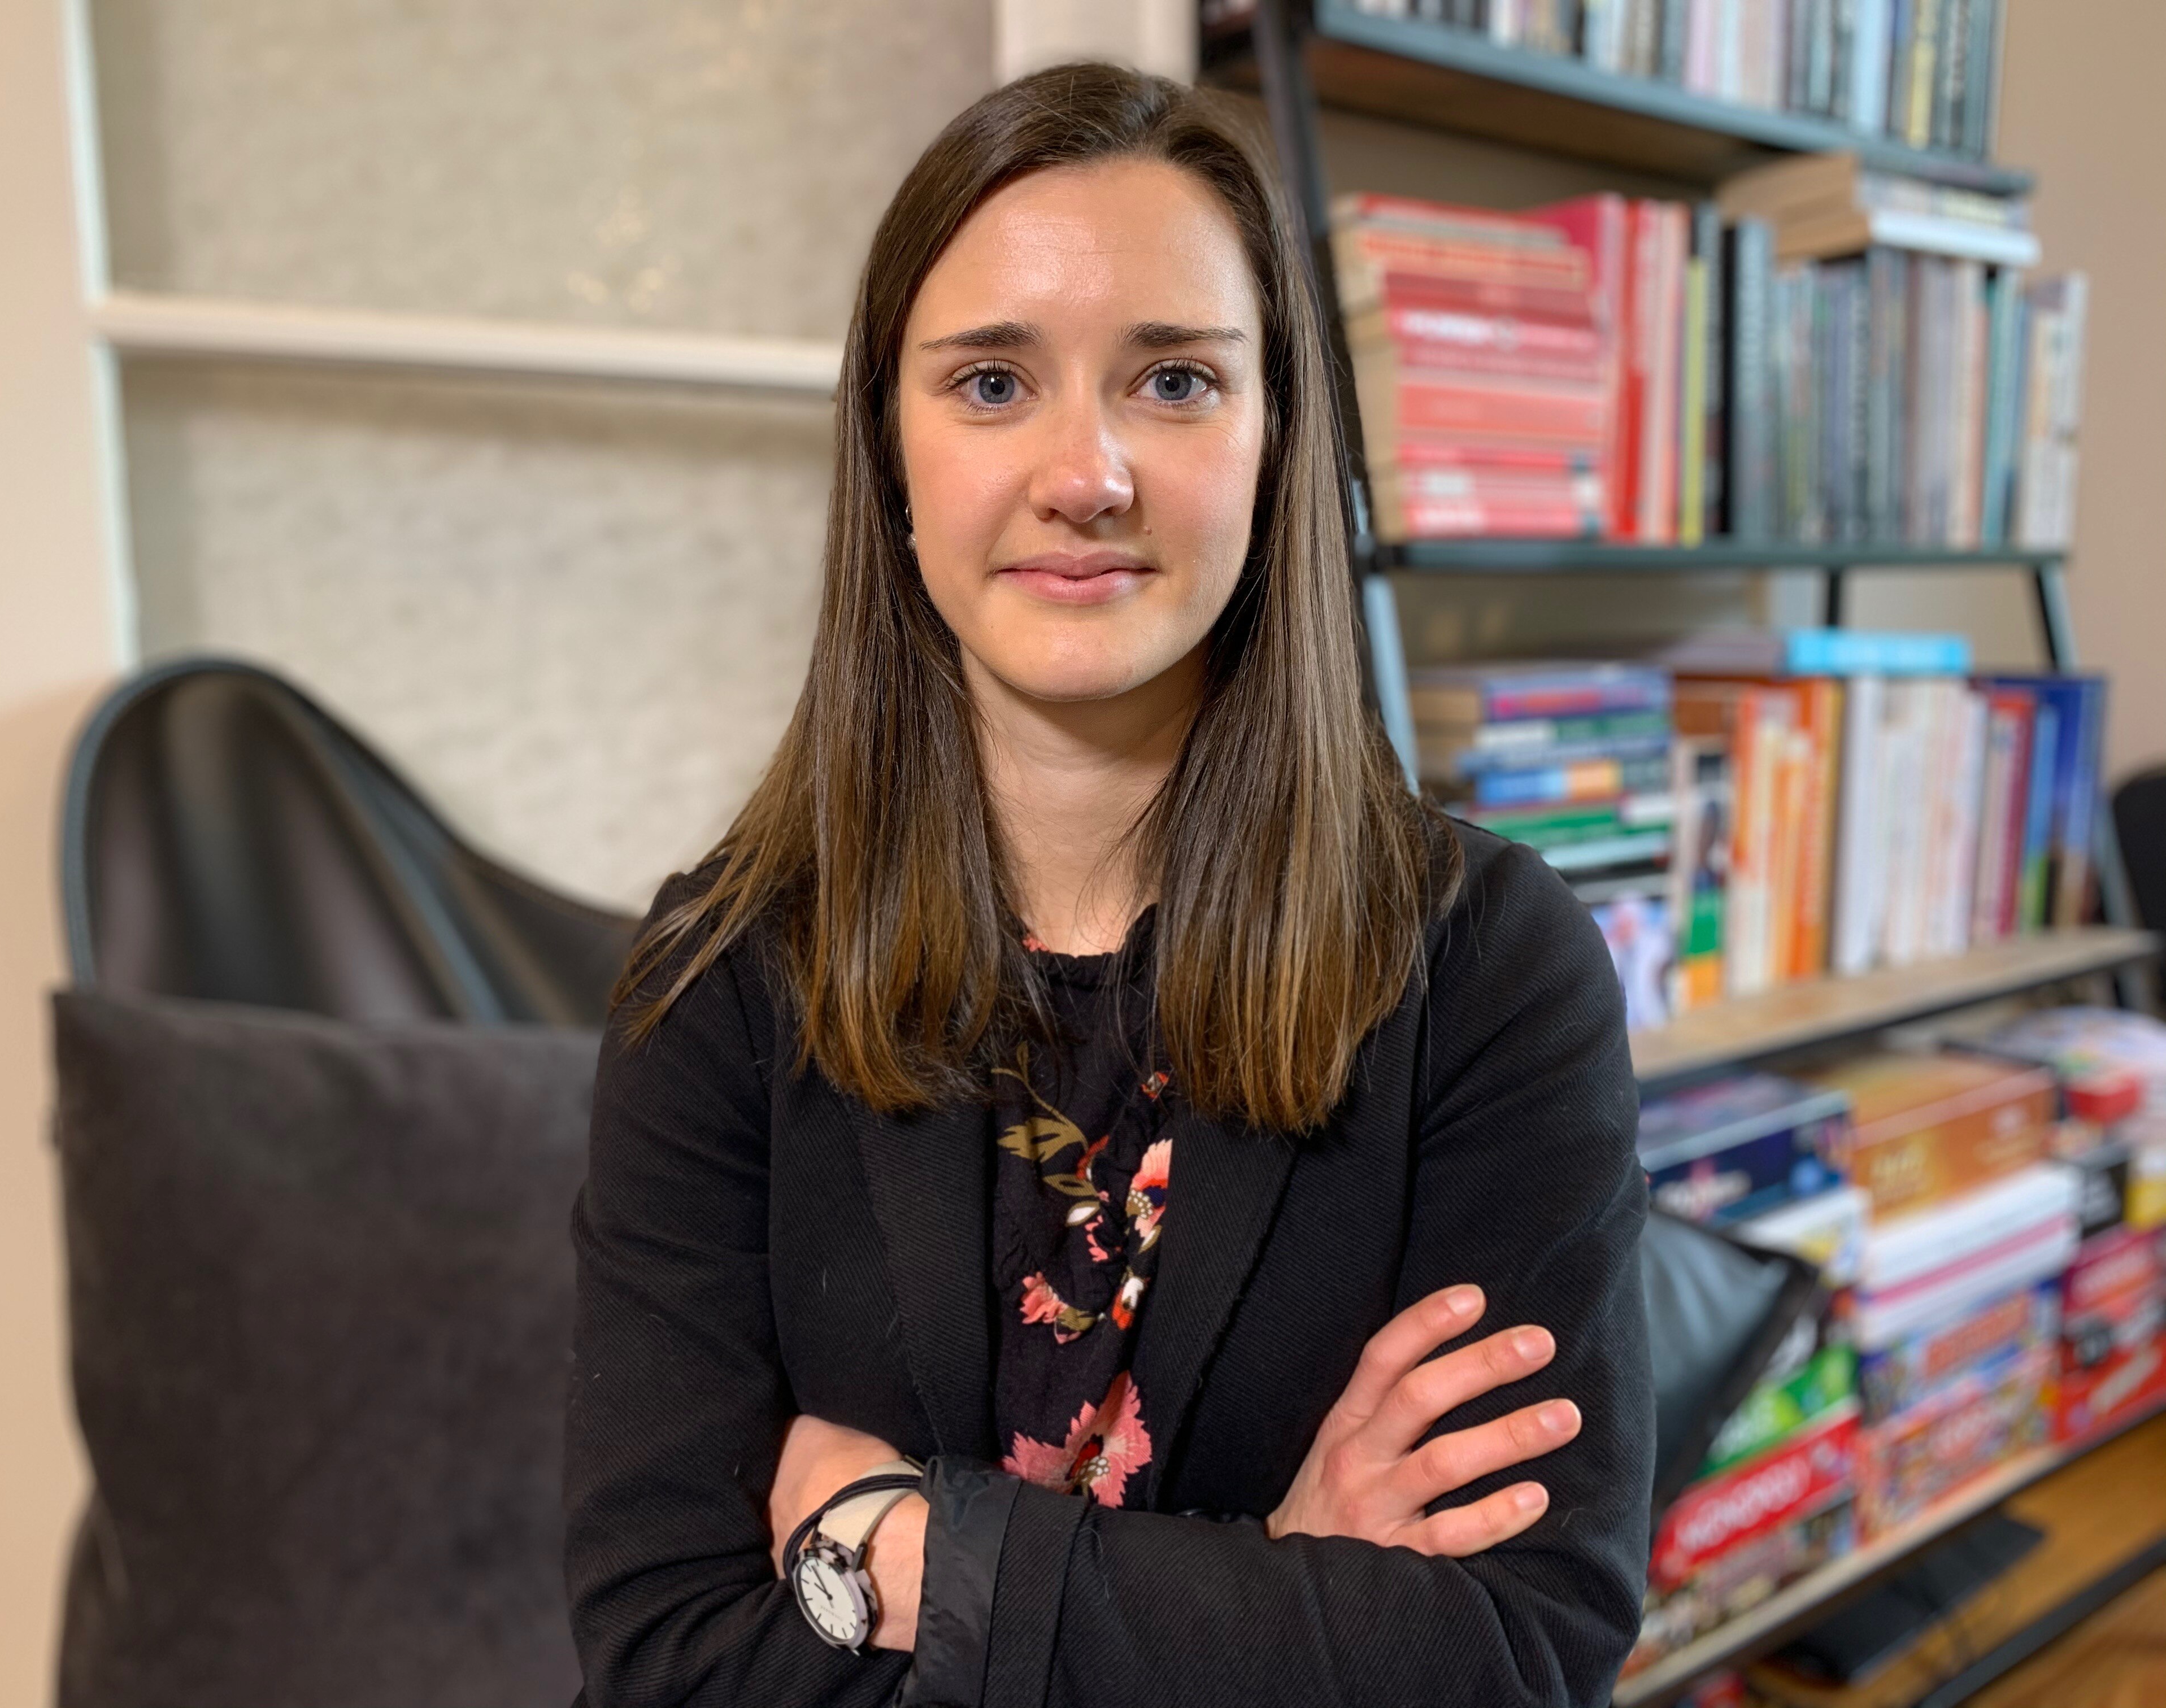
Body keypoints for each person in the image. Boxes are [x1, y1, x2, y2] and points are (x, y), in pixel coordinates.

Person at [564, 62, 1651, 1708]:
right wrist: (1281, 1577)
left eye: (1175, 383)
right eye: (994, 382)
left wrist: (906, 1554)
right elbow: (663, 1659)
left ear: (1277, 437)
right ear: (891, 454)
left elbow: (1512, 1651)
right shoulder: (720, 972)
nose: (1089, 474)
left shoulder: (1488, 970)